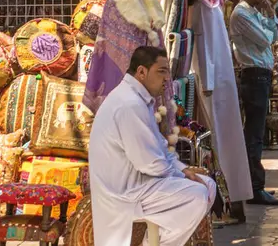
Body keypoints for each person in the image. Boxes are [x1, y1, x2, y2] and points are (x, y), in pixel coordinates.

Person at [88, 46, 216, 246]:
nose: (167, 78)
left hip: (141, 183)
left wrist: (184, 170)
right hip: (125, 191)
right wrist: (183, 175)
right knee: (197, 195)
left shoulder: (138, 99)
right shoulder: (129, 104)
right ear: (141, 72)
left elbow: (160, 149)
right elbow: (151, 164)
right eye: (161, 71)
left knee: (207, 185)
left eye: (168, 72)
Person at [227, 0, 278, 206]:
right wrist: (270, 23)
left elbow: (275, 33)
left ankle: (254, 185)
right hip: (253, 76)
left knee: (256, 133)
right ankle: (254, 187)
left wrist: (271, 16)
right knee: (254, 135)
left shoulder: (254, 12)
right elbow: (265, 39)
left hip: (261, 76)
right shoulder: (241, 14)